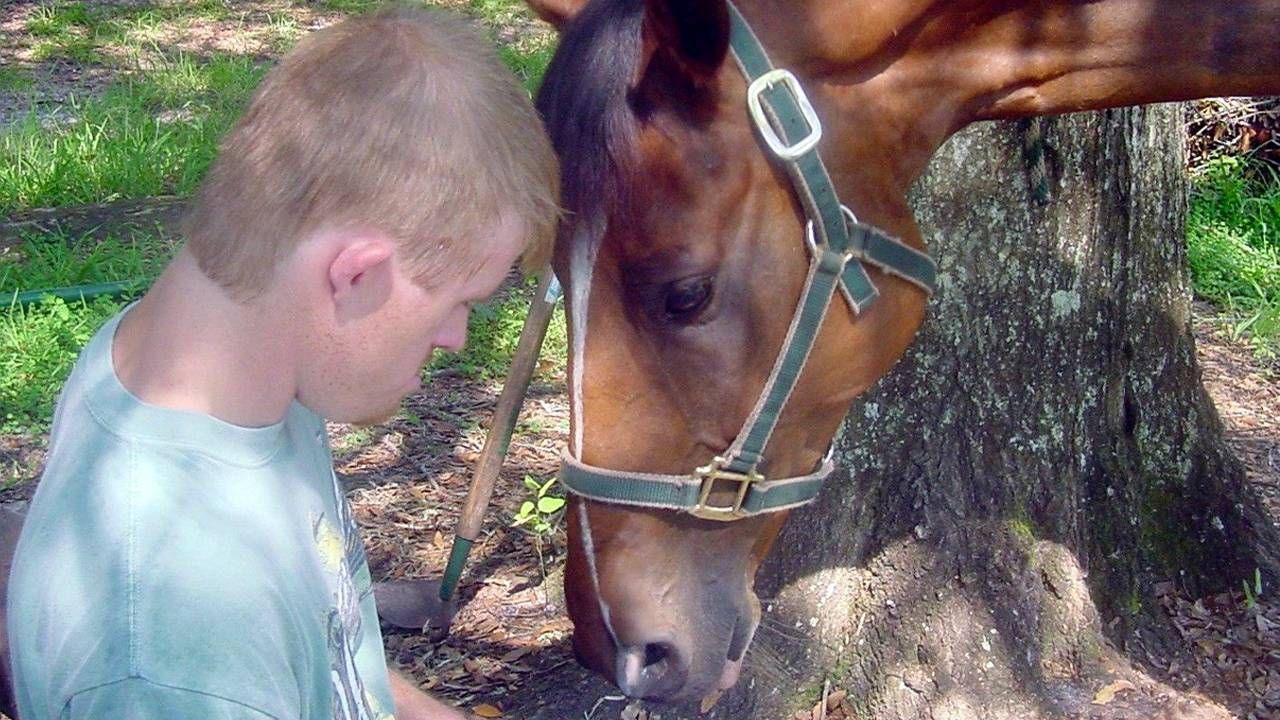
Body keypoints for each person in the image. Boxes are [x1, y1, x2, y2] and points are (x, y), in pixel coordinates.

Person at [6, 6, 559, 719]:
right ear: (355, 276)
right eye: (462, 302)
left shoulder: (215, 373)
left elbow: (327, 657)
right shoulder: (179, 653)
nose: (456, 335)